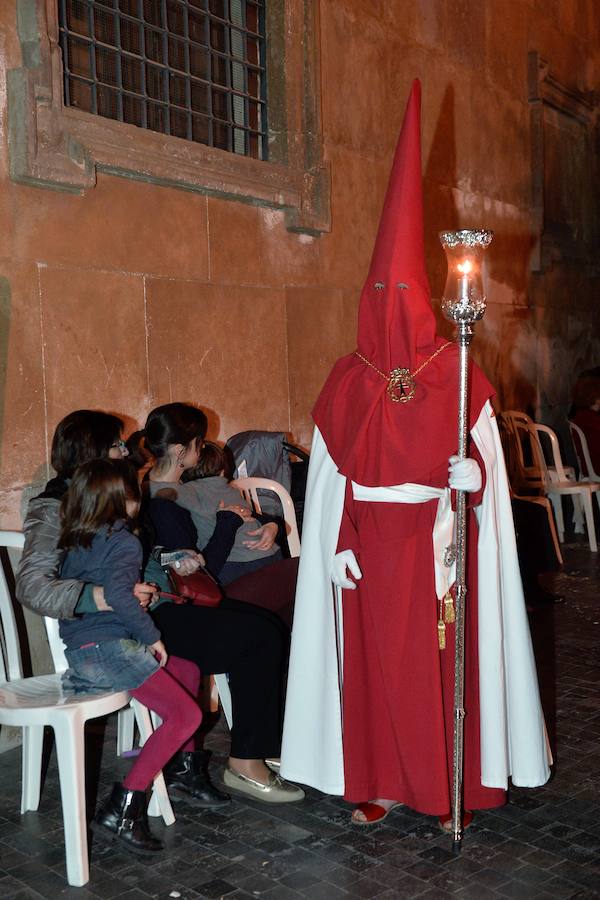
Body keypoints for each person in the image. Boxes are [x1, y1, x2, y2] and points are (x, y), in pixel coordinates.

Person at [280, 80, 551, 828]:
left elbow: (487, 466)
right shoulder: (347, 377)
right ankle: (383, 780)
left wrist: (474, 477)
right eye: (382, 289)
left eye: (404, 290)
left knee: (437, 672)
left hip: (437, 547)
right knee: (374, 675)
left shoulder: (457, 373)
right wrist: (334, 545)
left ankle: (446, 787)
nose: (392, 304)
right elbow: (329, 478)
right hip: (366, 549)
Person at [17, 409, 303, 804]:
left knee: (263, 626)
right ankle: (246, 762)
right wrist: (97, 596)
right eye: (116, 444)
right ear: (94, 452)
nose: (125, 449)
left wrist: (171, 558)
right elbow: (32, 586)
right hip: (119, 630)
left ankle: (230, 754)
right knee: (256, 636)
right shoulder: (53, 508)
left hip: (155, 607)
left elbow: (138, 553)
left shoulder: (114, 492)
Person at [58, 458, 203, 855]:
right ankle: (124, 806)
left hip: (84, 652)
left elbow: (102, 591)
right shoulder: (124, 540)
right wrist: (152, 636)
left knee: (187, 671)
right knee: (187, 715)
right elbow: (119, 597)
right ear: (126, 499)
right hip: (110, 651)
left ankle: (179, 764)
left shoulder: (77, 539)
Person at [570, 374, 600, 474]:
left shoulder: (581, 416)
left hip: (588, 467)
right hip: (596, 468)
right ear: (596, 398)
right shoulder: (591, 419)